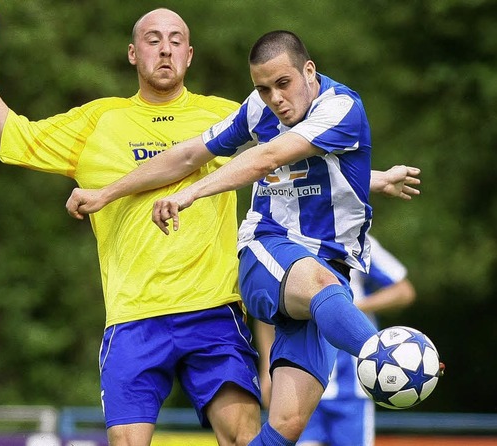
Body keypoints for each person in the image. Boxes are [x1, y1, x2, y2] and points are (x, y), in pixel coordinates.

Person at [64, 30, 423, 445]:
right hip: (266, 252)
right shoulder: (259, 110)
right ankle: (384, 355)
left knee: (285, 427)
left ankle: (374, 354)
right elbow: (191, 156)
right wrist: (109, 193)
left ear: (309, 71)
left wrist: (373, 181)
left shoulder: (341, 107)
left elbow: (309, 166)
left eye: (283, 84)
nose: (274, 99)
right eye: (263, 88)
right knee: (321, 284)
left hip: (326, 279)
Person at [0, 5, 263, 446]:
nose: (165, 49)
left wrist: (368, 177)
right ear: (131, 53)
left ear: (191, 55)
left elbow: (287, 156)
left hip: (213, 309)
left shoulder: (227, 116)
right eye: (153, 39)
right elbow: (15, 136)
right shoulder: (99, 121)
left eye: (176, 40)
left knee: (244, 438)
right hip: (133, 317)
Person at [256, 235, 416, 446]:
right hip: (299, 380)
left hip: (351, 388)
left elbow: (403, 291)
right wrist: (266, 369)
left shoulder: (357, 240)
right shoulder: (285, 240)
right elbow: (268, 310)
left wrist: (341, 310)